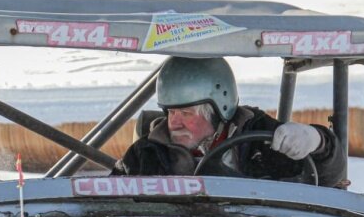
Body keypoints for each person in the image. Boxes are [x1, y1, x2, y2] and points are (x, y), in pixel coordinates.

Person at [114, 57, 347, 187]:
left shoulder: (261, 139)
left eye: (186, 114)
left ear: (217, 110)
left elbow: (329, 176)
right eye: (171, 113)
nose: (174, 123)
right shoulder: (145, 154)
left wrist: (317, 142)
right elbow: (110, 205)